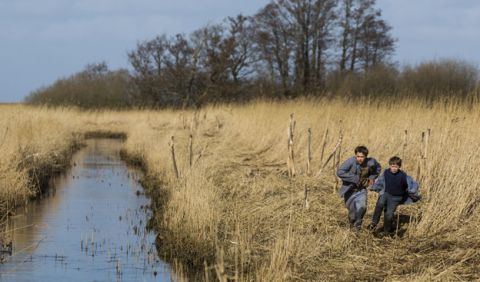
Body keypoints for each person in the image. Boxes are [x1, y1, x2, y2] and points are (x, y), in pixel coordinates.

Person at [369, 156, 420, 234]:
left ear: (399, 167)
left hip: (396, 197)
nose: (394, 168)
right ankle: (374, 223)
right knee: (379, 204)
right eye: (392, 166)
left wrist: (412, 190)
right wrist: (374, 187)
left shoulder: (403, 176)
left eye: (396, 167)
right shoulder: (386, 172)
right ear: (389, 166)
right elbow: (380, 181)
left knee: (389, 213)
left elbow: (413, 183)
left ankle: (386, 230)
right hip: (385, 193)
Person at [337, 146, 381, 230]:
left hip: (361, 190)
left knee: (362, 207)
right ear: (355, 155)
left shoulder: (371, 162)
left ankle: (358, 227)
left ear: (366, 156)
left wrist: (372, 177)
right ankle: (351, 225)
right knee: (353, 214)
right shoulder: (350, 162)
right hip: (349, 190)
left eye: (362, 157)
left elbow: (378, 168)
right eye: (358, 156)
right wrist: (355, 178)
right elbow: (340, 172)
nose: (360, 159)